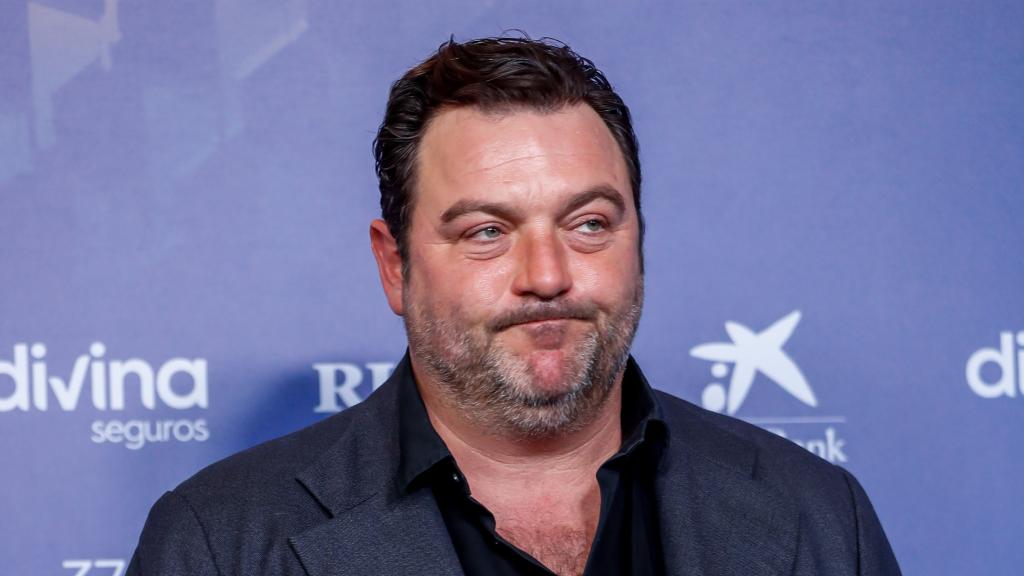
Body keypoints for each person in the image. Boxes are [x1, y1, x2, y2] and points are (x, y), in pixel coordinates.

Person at [127, 36, 901, 576]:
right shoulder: (220, 542)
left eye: (589, 223)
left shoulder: (818, 517)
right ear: (395, 267)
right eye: (488, 231)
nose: (548, 274)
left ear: (639, 240)